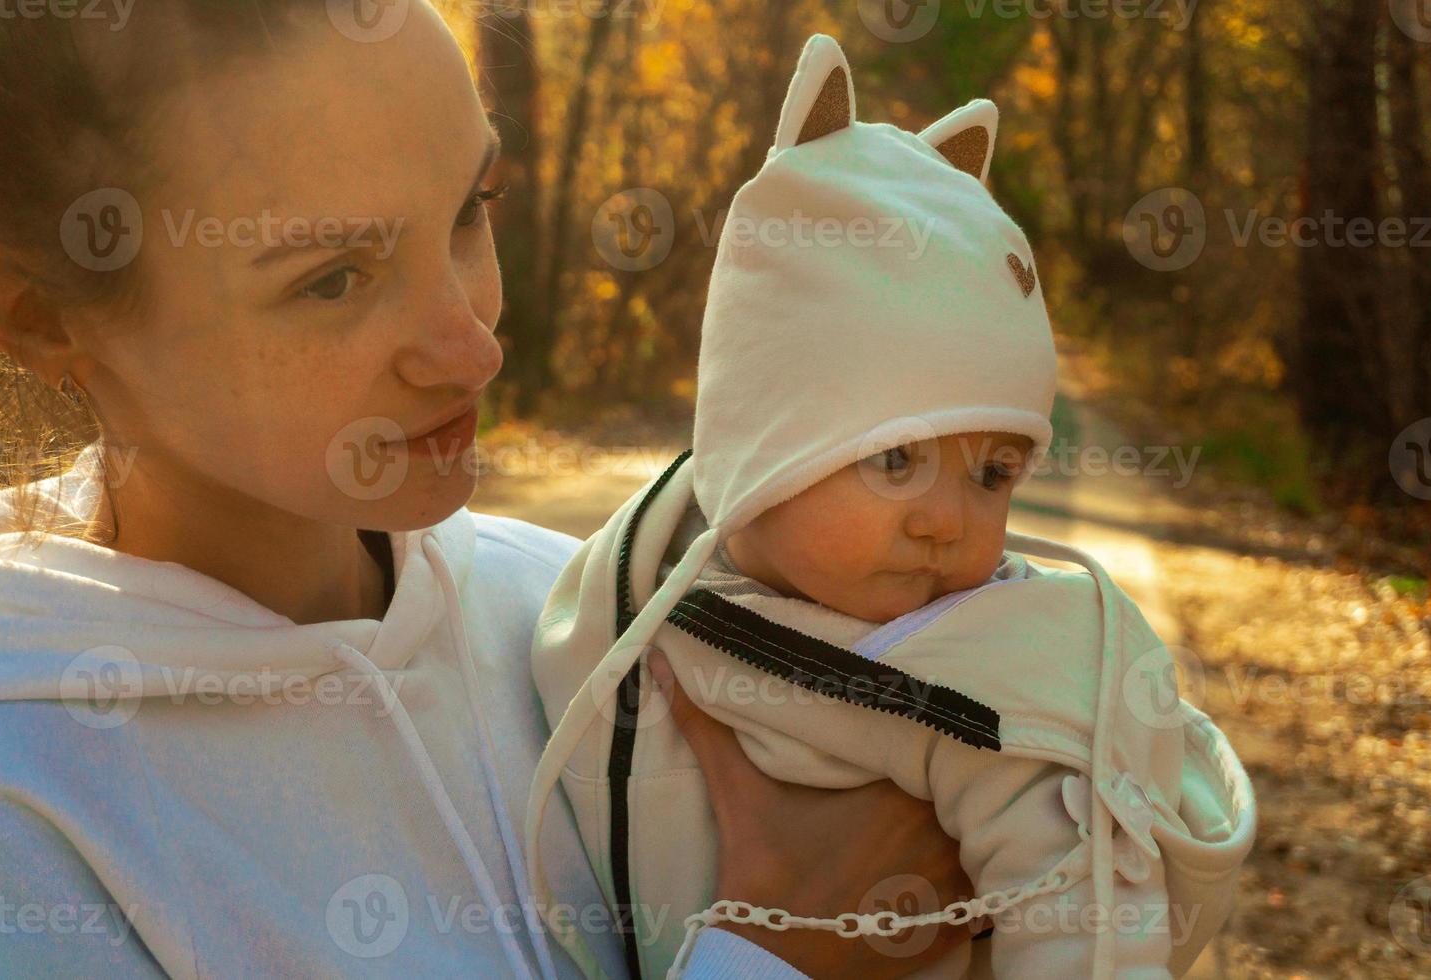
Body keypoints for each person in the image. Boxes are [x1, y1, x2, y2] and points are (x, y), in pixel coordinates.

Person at [0, 6, 976, 978]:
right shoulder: (12, 799)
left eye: (467, 211)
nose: (473, 346)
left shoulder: (583, 610)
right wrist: (778, 956)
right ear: (42, 317)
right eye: (332, 279)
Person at [527, 34, 1257, 979]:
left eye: (993, 473)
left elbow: (1085, 922)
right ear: (763, 433)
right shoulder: (615, 598)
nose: (946, 522)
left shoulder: (993, 667)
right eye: (897, 458)